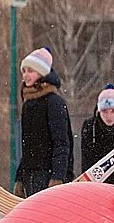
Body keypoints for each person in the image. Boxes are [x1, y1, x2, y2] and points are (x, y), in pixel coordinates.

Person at [14, 46, 73, 197]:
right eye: (24, 71)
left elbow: (62, 143)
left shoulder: (54, 103)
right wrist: (20, 177)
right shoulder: (28, 104)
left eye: (31, 71)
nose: (26, 75)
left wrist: (57, 177)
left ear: (42, 73)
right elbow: (27, 148)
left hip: (48, 175)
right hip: (31, 175)